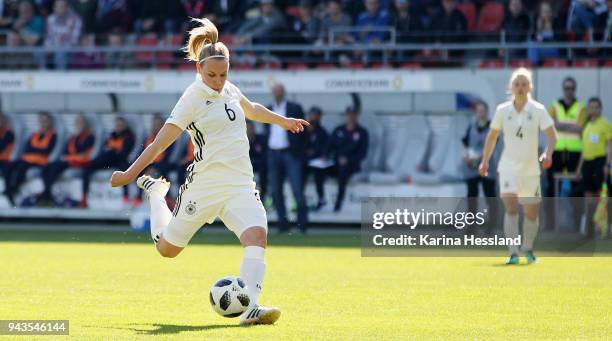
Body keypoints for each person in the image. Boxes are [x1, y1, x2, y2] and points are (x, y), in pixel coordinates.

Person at [109, 18, 309, 325]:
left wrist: (283, 121)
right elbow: (160, 143)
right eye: (212, 75)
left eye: (223, 74)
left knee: (257, 236)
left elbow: (252, 109)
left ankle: (251, 307)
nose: (218, 80)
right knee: (167, 250)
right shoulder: (191, 98)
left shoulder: (229, 88)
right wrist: (129, 173)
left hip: (240, 183)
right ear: (198, 70)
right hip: (204, 185)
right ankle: (156, 195)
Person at [479, 67, 557, 265]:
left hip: (531, 170)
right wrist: (485, 160)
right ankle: (513, 252)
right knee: (511, 209)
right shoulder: (502, 111)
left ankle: (528, 248)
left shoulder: (538, 110)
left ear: (530, 86)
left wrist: (547, 153)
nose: (520, 87)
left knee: (531, 214)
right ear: (511, 87)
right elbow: (492, 136)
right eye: (517, 84)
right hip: (507, 168)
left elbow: (551, 135)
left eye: (524, 84)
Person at [266, 82, 309, 233]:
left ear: (283, 92)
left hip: (290, 154)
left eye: (279, 91)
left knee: (297, 189)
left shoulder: (294, 108)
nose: (277, 94)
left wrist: (298, 151)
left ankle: (302, 225)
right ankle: (282, 224)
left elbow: (304, 133)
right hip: (273, 153)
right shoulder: (268, 108)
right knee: (276, 191)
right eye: (275, 91)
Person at [575, 97, 612, 238]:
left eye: (596, 107)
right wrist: (579, 168)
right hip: (588, 164)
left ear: (600, 109)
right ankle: (589, 232)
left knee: (603, 197)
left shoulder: (605, 124)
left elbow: (609, 146)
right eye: (591, 107)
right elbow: (584, 150)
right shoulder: (587, 126)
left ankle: (605, 229)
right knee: (589, 197)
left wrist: (607, 164)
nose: (593, 109)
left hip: (600, 162)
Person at [546, 77, 587, 199]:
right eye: (566, 88)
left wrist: (560, 125)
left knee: (577, 187)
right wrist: (571, 126)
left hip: (575, 151)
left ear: (575, 90)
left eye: (572, 88)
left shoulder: (582, 107)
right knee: (552, 187)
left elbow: (580, 128)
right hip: (556, 150)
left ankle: (577, 218)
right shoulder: (554, 106)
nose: (569, 91)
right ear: (563, 89)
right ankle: (551, 218)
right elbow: (550, 124)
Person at [40, 113, 94, 204]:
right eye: (77, 122)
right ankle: (47, 191)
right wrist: (67, 157)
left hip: (79, 162)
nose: (78, 125)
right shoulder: (73, 138)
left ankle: (47, 192)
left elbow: (84, 154)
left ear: (85, 124)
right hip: (70, 161)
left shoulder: (89, 137)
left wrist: (68, 157)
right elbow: (66, 152)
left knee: (55, 167)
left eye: (81, 122)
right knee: (47, 167)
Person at [5, 111, 57, 206]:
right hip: (28, 160)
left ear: (50, 123)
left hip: (42, 162)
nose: (43, 123)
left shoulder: (53, 136)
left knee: (21, 169)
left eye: (45, 121)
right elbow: (28, 148)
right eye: (41, 121)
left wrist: (36, 151)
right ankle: (9, 190)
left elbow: (47, 151)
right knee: (9, 166)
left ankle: (15, 189)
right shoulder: (34, 135)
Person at [81, 116, 134, 207]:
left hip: (120, 161)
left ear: (125, 126)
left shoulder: (128, 137)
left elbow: (124, 153)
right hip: (108, 161)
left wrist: (113, 151)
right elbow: (105, 148)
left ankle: (126, 197)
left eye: (121, 125)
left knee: (124, 170)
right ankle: (84, 197)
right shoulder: (111, 136)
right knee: (87, 168)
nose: (119, 127)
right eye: (117, 125)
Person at [461, 100, 498, 232]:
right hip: (471, 167)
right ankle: (471, 226)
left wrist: (479, 157)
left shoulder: (492, 128)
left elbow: (492, 146)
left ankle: (491, 226)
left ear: (487, 112)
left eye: (483, 111)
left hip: (487, 166)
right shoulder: (471, 127)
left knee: (490, 196)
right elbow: (465, 144)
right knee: (472, 196)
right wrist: (465, 156)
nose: (480, 113)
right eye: (478, 111)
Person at [327, 106, 369, 212]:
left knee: (343, 169)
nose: (350, 117)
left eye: (353, 115)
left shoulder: (362, 132)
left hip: (352, 165)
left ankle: (338, 202)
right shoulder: (338, 130)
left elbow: (363, 153)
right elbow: (329, 147)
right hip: (336, 162)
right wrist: (327, 157)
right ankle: (321, 200)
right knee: (317, 168)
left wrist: (348, 159)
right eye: (348, 114)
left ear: (356, 116)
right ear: (345, 116)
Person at [303, 106, 329, 211]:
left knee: (319, 173)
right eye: (312, 115)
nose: (314, 118)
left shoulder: (322, 132)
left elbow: (325, 148)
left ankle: (321, 199)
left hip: (317, 163)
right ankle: (299, 201)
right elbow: (299, 146)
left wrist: (320, 154)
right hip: (304, 161)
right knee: (299, 172)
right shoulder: (302, 130)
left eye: (317, 115)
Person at [44, 0, 83, 69]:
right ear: (54, 8)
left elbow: (74, 40)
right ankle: (43, 76)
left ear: (67, 8)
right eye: (57, 7)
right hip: (54, 47)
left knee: (60, 53)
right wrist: (47, 47)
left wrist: (59, 43)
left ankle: (60, 78)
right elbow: (49, 37)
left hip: (70, 49)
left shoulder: (76, 19)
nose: (59, 9)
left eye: (62, 6)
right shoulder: (51, 19)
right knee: (39, 52)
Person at [247, 120, 268, 203]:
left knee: (263, 167)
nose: (249, 130)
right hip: (247, 166)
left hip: (260, 166)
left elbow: (265, 155)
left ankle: (263, 197)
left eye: (251, 128)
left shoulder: (261, 139)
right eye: (247, 128)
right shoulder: (241, 141)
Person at [0, 112, 15, 191]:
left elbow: (2, 147)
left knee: (7, 171)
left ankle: (8, 192)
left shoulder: (9, 133)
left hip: (5, 160)